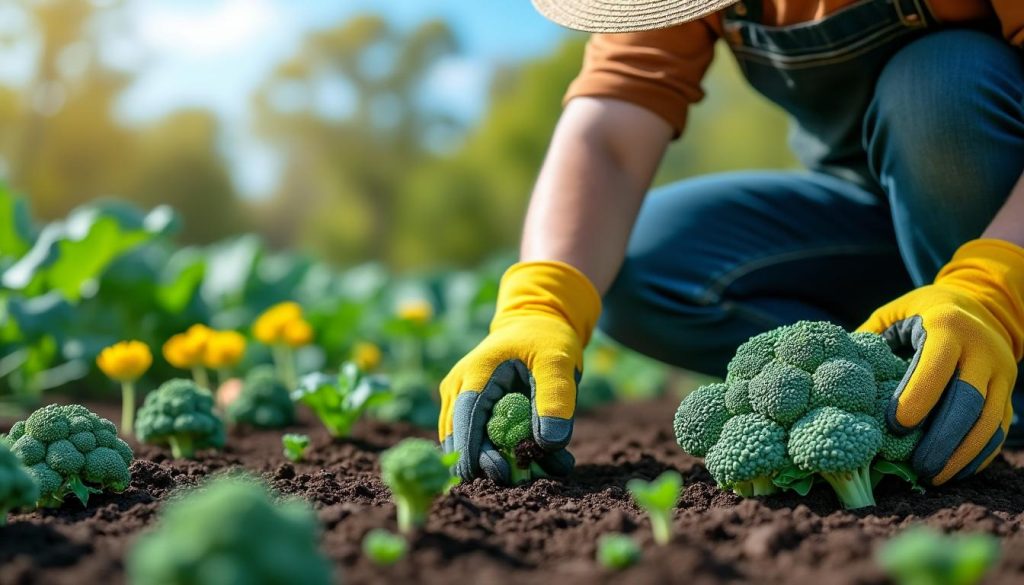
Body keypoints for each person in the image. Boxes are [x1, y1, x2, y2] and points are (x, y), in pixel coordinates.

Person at [439, 0, 1024, 487]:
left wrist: (994, 289)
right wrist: (542, 302)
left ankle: (998, 372)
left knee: (939, 86)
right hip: (869, 214)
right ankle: (914, 392)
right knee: (642, 263)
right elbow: (612, 130)